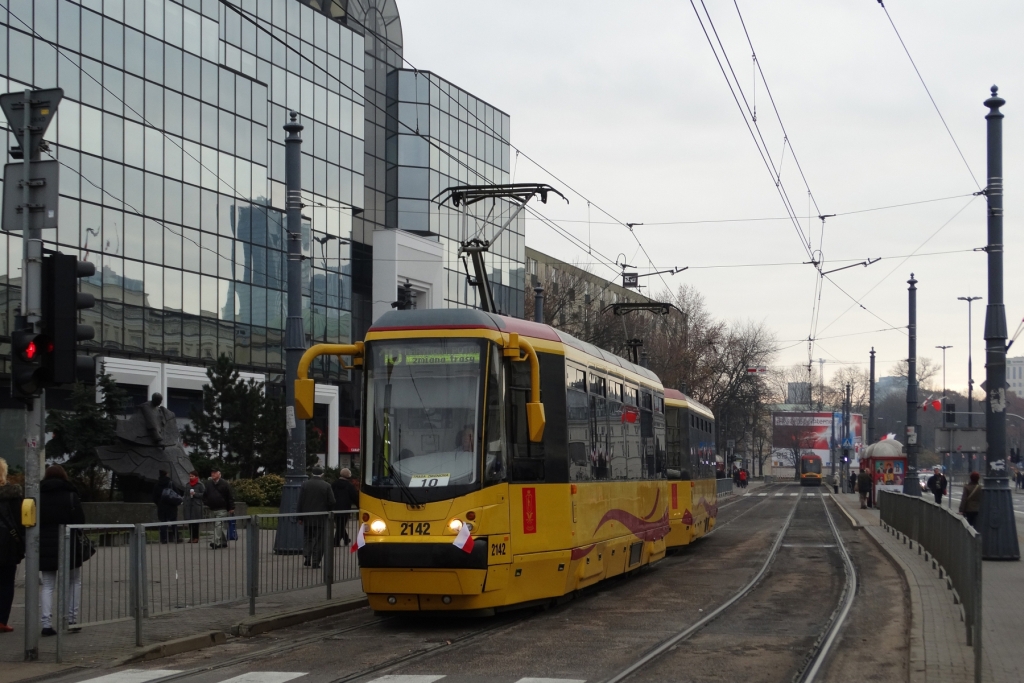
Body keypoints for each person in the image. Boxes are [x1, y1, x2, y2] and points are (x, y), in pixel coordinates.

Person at [39, 465, 86, 636]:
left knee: (48, 585)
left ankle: (46, 623)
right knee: (74, 581)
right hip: (69, 542)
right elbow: (80, 520)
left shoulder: (38, 495)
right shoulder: (71, 495)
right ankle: (71, 620)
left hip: (45, 544)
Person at [0, 458, 25, 633]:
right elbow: (20, 521)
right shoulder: (14, 496)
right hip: (7, 545)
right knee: (7, 583)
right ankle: (2, 621)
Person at [298, 466, 335, 568]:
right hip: (321, 518)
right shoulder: (326, 485)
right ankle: (315, 561)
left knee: (308, 538)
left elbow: (300, 501)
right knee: (319, 540)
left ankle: (307, 556)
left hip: (307, 517)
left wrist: (300, 517)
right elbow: (332, 501)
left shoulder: (305, 484)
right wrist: (328, 511)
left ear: (312, 474)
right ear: (322, 474)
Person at [203, 468, 234, 549]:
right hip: (212, 508)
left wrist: (231, 507)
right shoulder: (209, 483)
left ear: (219, 474)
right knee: (218, 526)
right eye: (212, 473)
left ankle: (215, 542)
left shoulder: (225, 484)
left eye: (214, 473)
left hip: (222, 508)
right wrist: (207, 502)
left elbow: (230, 496)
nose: (212, 474)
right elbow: (205, 494)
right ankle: (223, 541)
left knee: (218, 525)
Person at [331, 468, 359, 547]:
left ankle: (346, 539)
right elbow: (354, 497)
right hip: (345, 508)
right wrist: (359, 506)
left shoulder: (334, 484)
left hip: (335, 508)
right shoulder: (349, 486)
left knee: (340, 525)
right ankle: (336, 542)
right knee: (341, 525)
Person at [152, 470, 182, 543]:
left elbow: (154, 498)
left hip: (162, 507)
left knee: (163, 523)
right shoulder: (171, 484)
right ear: (166, 474)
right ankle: (177, 538)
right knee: (174, 522)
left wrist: (159, 504)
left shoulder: (157, 485)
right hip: (171, 506)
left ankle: (164, 539)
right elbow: (177, 494)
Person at [183, 471, 205, 543]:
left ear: (196, 477)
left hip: (196, 506)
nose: (191, 477)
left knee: (196, 522)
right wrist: (185, 501)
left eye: (192, 476)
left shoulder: (200, 485)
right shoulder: (187, 485)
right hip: (189, 506)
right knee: (190, 522)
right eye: (190, 476)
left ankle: (196, 537)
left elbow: (204, 494)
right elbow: (185, 495)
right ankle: (191, 537)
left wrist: (195, 494)